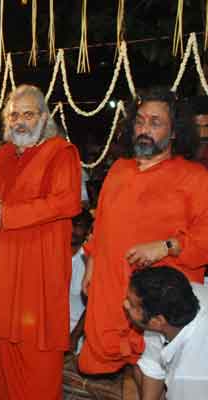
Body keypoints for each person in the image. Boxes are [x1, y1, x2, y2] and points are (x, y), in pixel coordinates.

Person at [79, 87, 208, 375]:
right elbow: (102, 225)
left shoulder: (195, 177)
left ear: (174, 132)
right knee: (118, 370)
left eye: (155, 122)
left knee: (153, 374)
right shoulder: (119, 170)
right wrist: (91, 265)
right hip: (112, 293)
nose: (144, 129)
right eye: (140, 121)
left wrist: (166, 246)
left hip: (158, 305)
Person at [0, 84, 81, 399]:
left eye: (27, 114)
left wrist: (9, 214)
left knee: (38, 347)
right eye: (14, 114)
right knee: (2, 346)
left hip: (40, 267)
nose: (19, 121)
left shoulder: (61, 151)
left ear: (43, 116)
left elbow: (66, 202)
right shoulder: (5, 155)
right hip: (4, 267)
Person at [125, 267, 208, 399]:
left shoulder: (188, 378)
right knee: (139, 371)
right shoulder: (183, 295)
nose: (125, 305)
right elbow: (152, 363)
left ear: (157, 321)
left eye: (132, 305)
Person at [69, 209, 93, 354]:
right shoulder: (52, 252)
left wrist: (75, 336)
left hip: (74, 340)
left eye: (78, 226)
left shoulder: (90, 262)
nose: (72, 230)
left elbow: (92, 306)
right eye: (70, 225)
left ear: (87, 230)